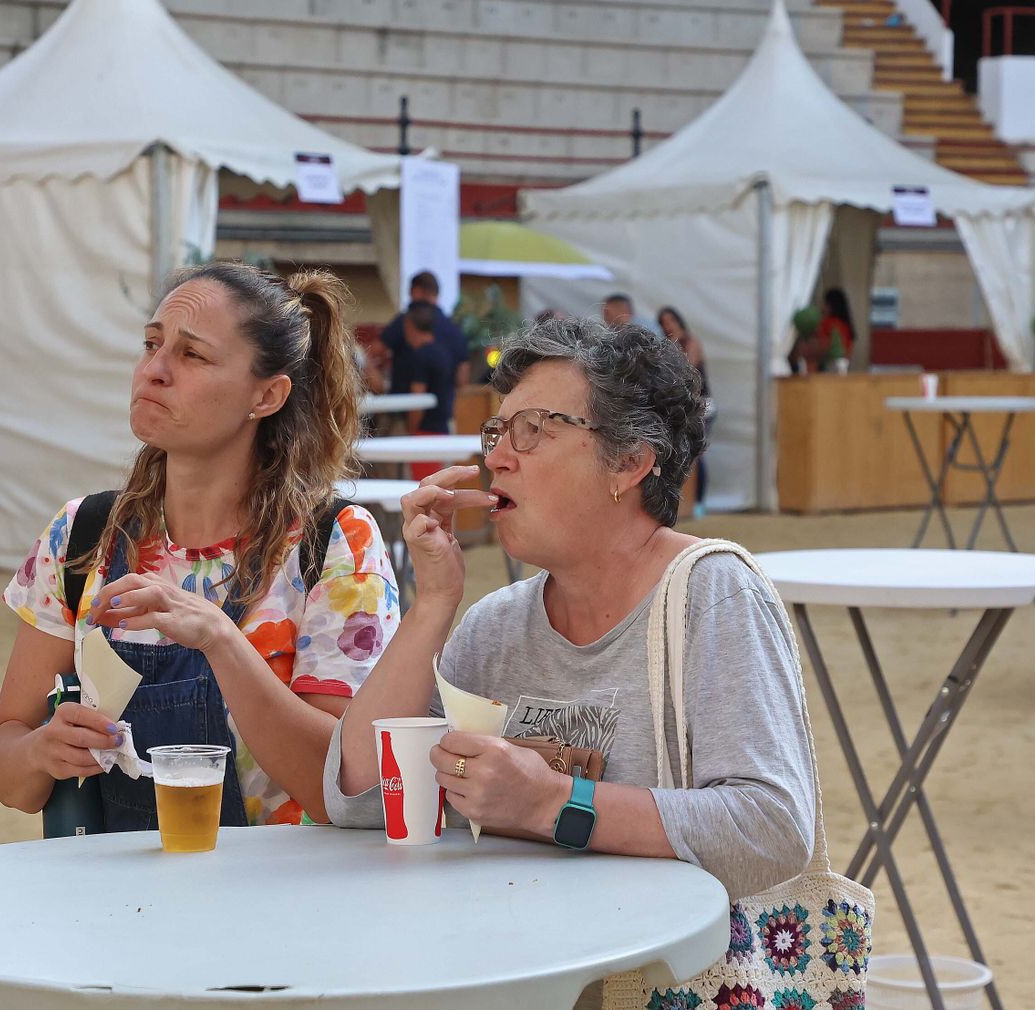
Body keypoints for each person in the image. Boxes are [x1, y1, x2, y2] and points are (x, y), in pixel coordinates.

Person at [322, 318, 816, 1006]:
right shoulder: (495, 628)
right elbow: (357, 797)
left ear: (629, 464)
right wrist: (434, 603)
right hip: (516, 978)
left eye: (534, 430)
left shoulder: (711, 592)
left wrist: (555, 802)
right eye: (497, 434)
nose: (498, 458)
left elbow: (772, 827)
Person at [0, 263, 401, 829]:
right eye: (151, 345)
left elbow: (344, 791)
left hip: (274, 904)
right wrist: (40, 751)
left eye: (192, 355)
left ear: (267, 395)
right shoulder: (81, 536)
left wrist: (221, 642)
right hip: (112, 906)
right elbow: (6, 774)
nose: (154, 371)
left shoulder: (334, 548)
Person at [658, 305, 711, 517]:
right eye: (663, 321)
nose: (667, 324)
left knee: (697, 452)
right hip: (680, 406)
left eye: (670, 319)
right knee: (683, 452)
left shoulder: (691, 342)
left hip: (701, 404)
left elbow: (686, 371)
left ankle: (698, 501)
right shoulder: (665, 345)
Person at [399, 298, 458, 481]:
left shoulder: (420, 355)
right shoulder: (444, 353)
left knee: (422, 490)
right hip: (444, 426)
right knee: (441, 488)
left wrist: (411, 429)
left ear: (410, 326)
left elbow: (418, 397)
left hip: (424, 430)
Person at [380, 270, 469, 390]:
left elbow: (373, 351)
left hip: (405, 402)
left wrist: (380, 386)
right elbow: (462, 378)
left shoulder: (407, 321)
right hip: (446, 404)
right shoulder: (454, 330)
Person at [787, 287, 855, 373]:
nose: (822, 307)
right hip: (844, 365)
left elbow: (821, 343)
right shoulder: (846, 325)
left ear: (830, 305)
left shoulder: (829, 323)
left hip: (828, 364)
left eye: (824, 303)